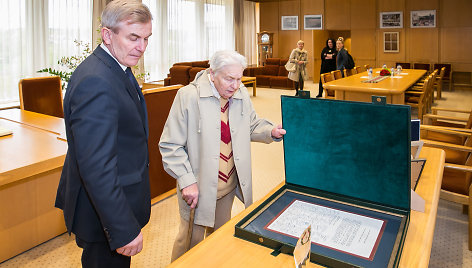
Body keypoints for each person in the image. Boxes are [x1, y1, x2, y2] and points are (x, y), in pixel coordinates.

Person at [159, 50, 286, 261]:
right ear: (212, 72)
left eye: (239, 78)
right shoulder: (188, 96)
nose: (235, 85)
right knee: (190, 243)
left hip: (227, 185)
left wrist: (270, 131)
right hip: (197, 188)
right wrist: (186, 181)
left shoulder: (241, 93)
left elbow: (250, 125)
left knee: (219, 241)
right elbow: (170, 145)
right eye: (229, 78)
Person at [55, 1, 153, 267]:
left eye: (146, 38)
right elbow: (97, 168)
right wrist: (123, 228)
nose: (141, 47)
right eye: (133, 37)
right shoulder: (97, 80)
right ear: (107, 35)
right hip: (104, 216)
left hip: (112, 205)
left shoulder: (116, 67)